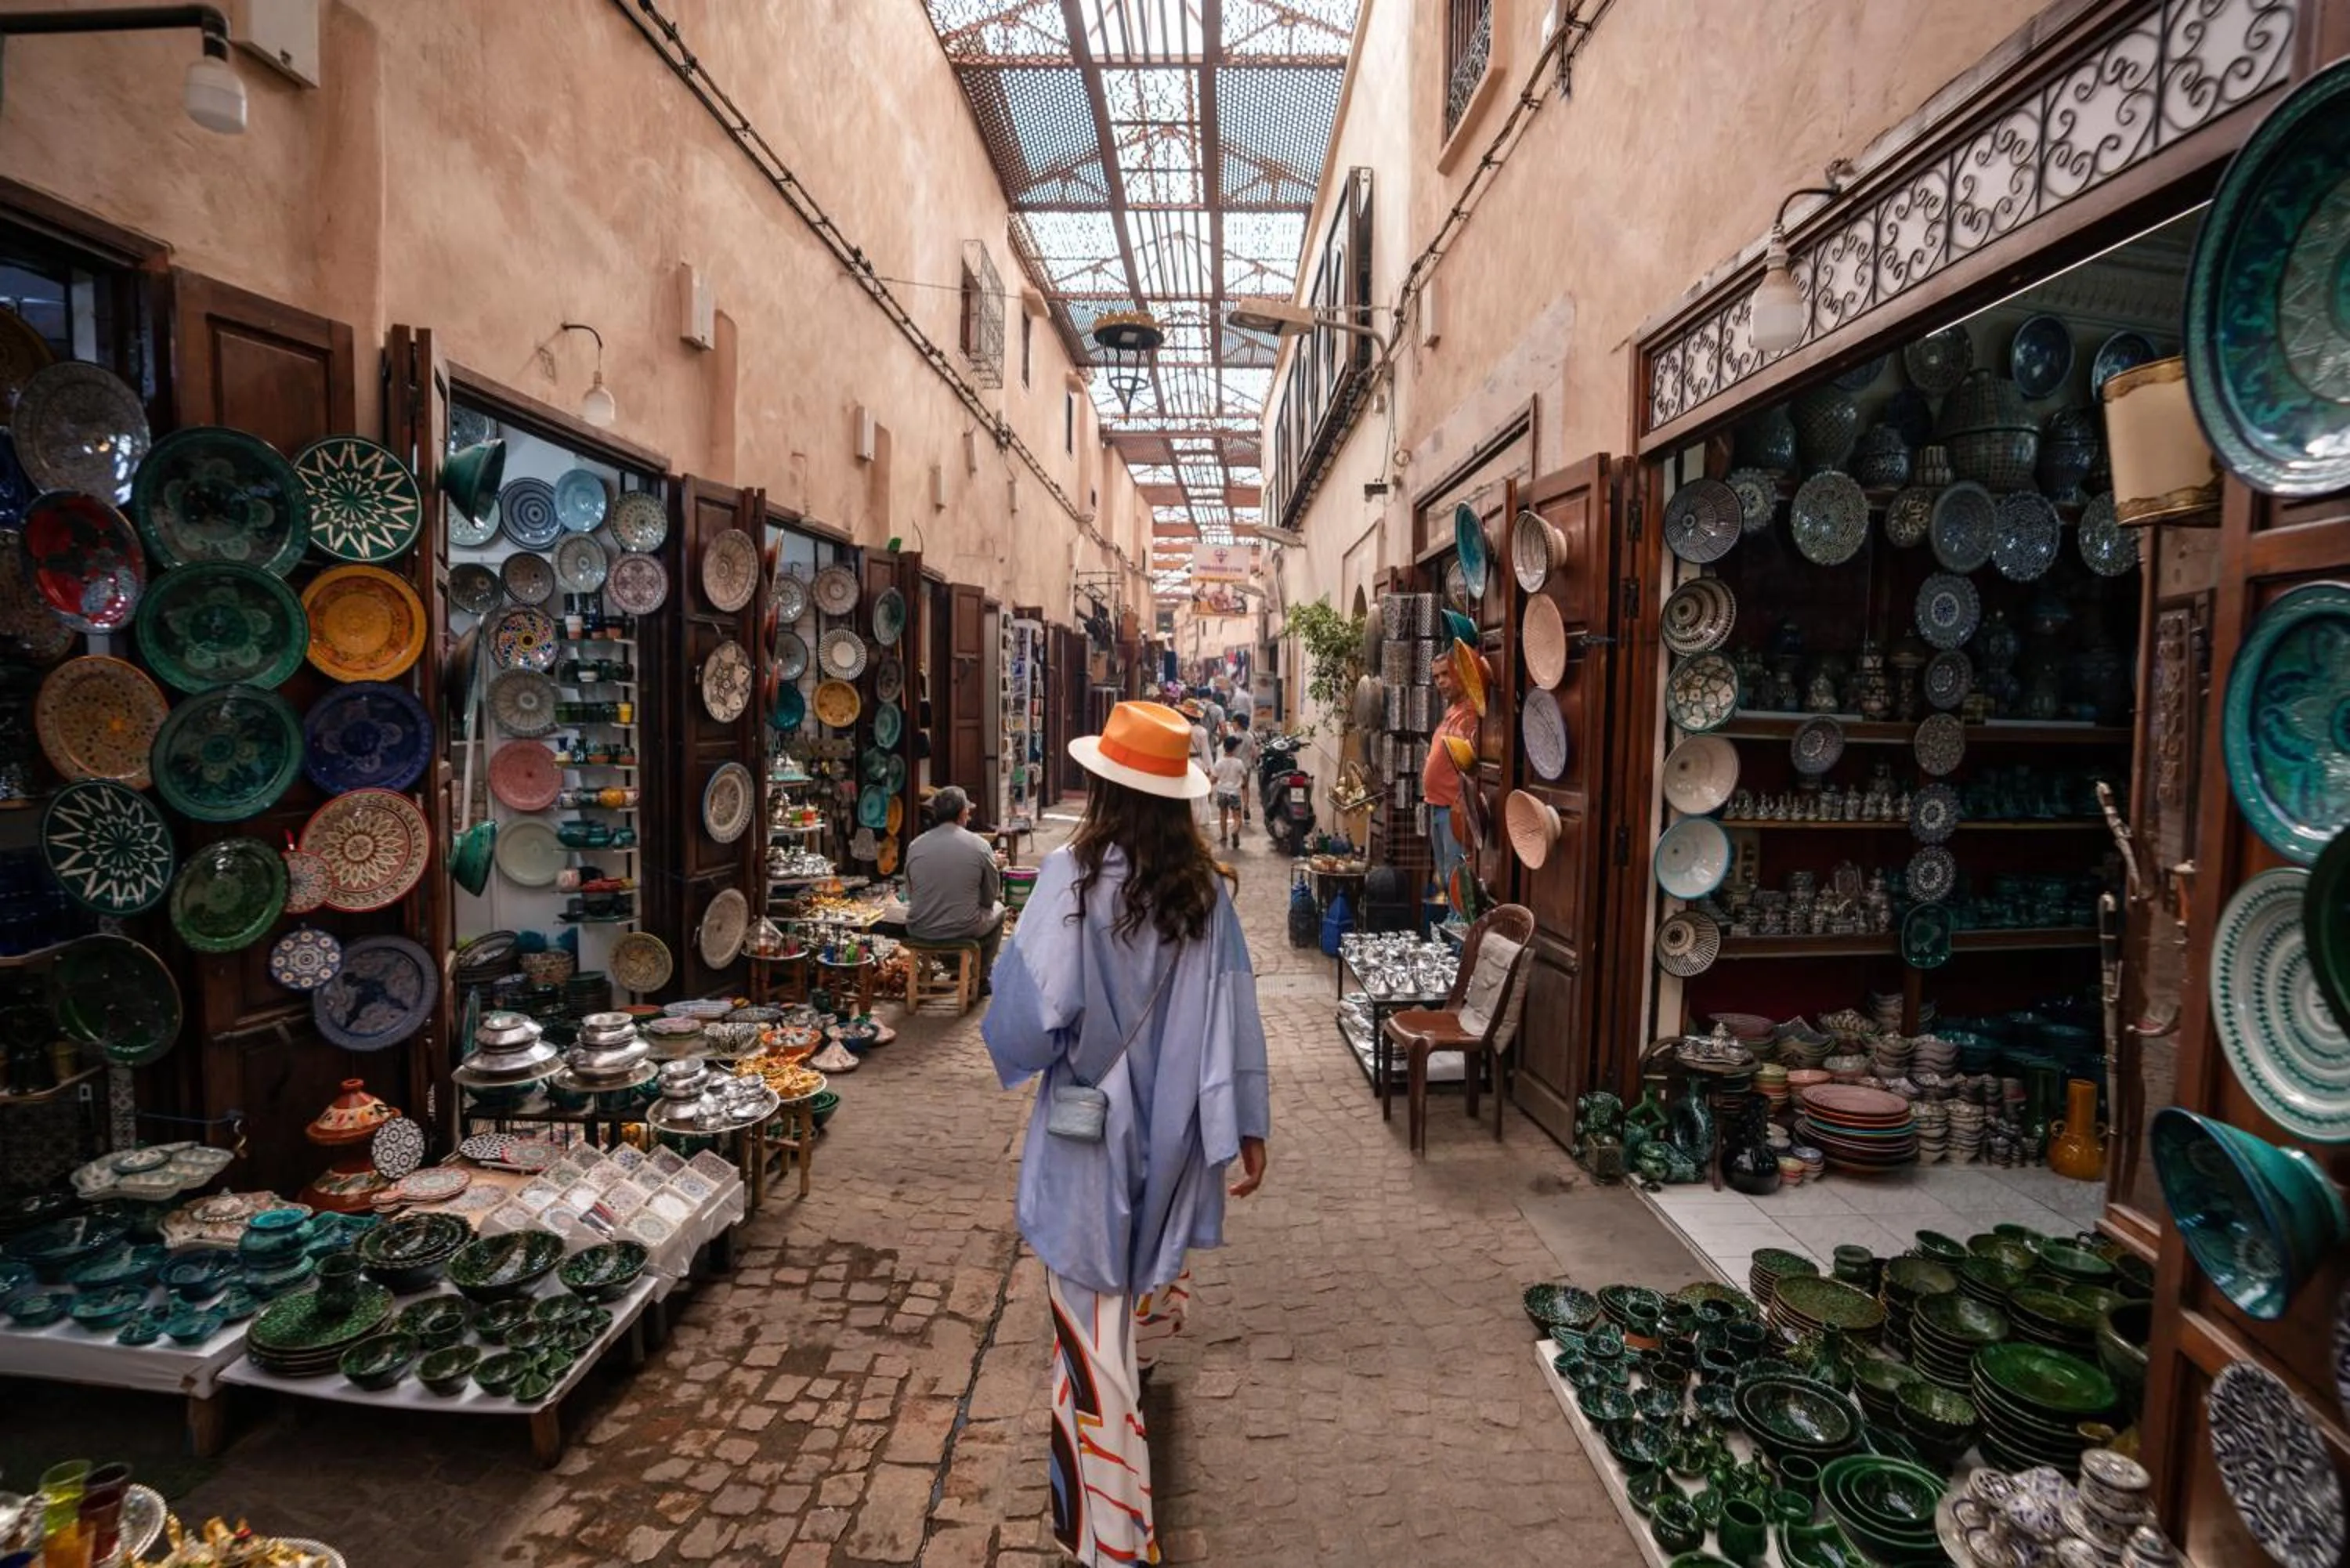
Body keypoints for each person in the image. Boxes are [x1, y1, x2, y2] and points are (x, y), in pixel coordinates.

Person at [982, 700, 1271, 1568]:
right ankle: (1122, 1430)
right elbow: (1237, 1014)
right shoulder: (1208, 894)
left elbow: (1031, 1019)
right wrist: (1246, 1126)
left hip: (1088, 1140)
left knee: (1088, 1326)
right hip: (1172, 1128)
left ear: (1106, 786)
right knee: (1137, 1282)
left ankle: (1111, 1532)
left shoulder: (1071, 877)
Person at [903, 785, 1005, 985]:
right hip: (962, 928)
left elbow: (910, 893)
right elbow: (990, 896)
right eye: (967, 812)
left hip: (919, 928)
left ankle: (955, 968)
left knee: (947, 915)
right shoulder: (980, 845)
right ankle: (981, 976)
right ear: (962, 813)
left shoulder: (915, 845)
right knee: (999, 910)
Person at [1420, 652, 1482, 898]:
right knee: (1447, 877)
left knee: (1458, 879)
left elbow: (1474, 763)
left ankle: (1461, 932)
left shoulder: (1470, 713)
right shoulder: (1452, 711)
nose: (1441, 682)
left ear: (1460, 673)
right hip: (1437, 806)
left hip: (1453, 810)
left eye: (1446, 674)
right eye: (1436, 677)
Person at [1211, 732, 1248, 850]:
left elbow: (1214, 779)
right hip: (1235, 793)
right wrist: (1243, 784)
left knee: (1223, 815)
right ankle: (1235, 831)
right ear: (1235, 748)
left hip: (1222, 792)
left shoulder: (1219, 763)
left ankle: (1223, 836)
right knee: (1237, 816)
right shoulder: (1239, 762)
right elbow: (1245, 776)